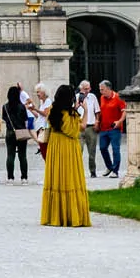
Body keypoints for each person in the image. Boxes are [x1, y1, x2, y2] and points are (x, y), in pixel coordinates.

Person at [41, 81, 92, 227]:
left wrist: (74, 110)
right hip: (69, 148)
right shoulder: (71, 114)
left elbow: (61, 122)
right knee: (70, 177)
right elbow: (81, 127)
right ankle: (71, 214)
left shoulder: (52, 110)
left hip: (55, 146)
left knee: (56, 177)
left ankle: (54, 215)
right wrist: (85, 111)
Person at [97, 81, 126, 180]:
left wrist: (119, 121)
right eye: (100, 89)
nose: (101, 92)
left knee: (115, 149)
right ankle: (109, 167)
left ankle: (115, 171)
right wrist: (97, 121)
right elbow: (101, 111)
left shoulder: (118, 97)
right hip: (103, 128)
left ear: (108, 89)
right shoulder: (102, 98)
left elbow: (124, 111)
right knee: (102, 148)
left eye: (102, 89)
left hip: (114, 129)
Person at [4, 82, 31, 182]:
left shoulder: (5, 107)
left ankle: (10, 177)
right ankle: (24, 177)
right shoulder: (22, 106)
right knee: (22, 156)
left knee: (10, 155)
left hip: (10, 132)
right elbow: (25, 119)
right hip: (21, 132)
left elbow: (4, 119)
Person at [77, 78, 101, 178]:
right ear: (81, 89)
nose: (88, 90)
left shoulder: (93, 97)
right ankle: (78, 172)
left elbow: (97, 111)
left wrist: (97, 121)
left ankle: (93, 171)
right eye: (85, 89)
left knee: (92, 152)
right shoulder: (76, 97)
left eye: (88, 88)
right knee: (79, 151)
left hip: (91, 127)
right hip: (79, 127)